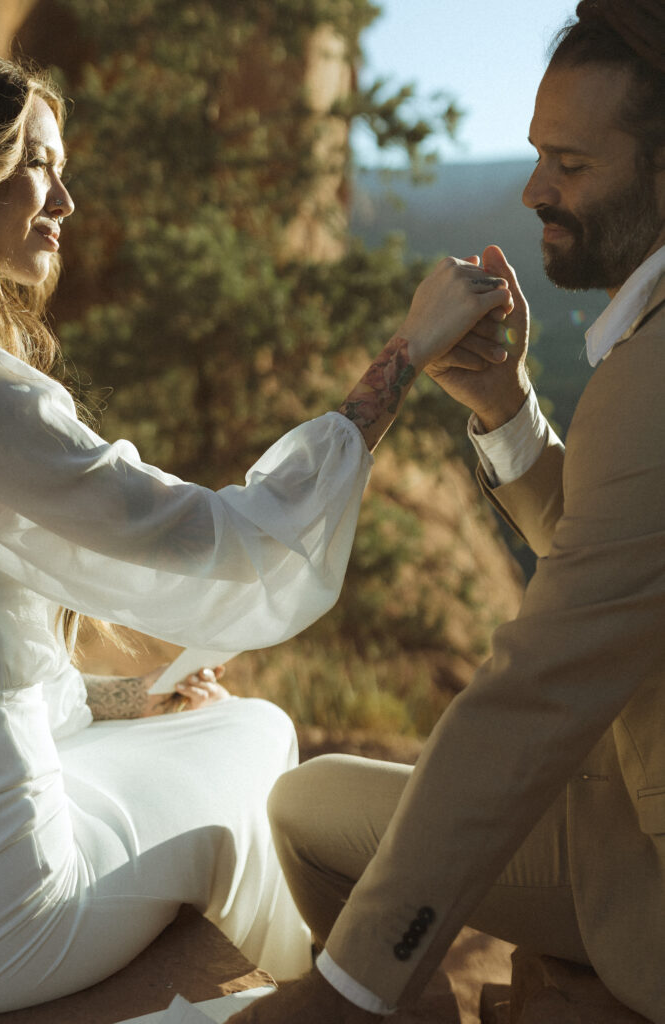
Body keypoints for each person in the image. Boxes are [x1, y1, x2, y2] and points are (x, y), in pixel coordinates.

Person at [0, 51, 512, 1016]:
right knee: (257, 729)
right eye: (36, 162)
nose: (65, 200)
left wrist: (124, 698)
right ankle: (302, 1001)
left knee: (198, 717)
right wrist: (405, 357)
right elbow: (232, 548)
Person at [226, 1, 665, 1021]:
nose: (533, 190)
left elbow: (537, 691)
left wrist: (346, 987)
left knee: (301, 811)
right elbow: (624, 563)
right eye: (534, 155)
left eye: (571, 163)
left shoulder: (650, 377)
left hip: (642, 860)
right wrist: (507, 407)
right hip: (618, 804)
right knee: (312, 794)